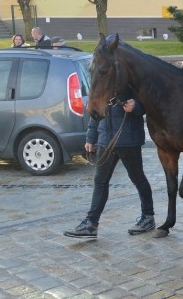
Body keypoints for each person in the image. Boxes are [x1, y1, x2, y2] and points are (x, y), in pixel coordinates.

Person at [64, 92, 155, 239]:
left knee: (138, 178)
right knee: (100, 181)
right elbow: (95, 112)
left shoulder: (129, 78)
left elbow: (148, 104)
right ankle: (91, 224)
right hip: (105, 141)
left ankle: (148, 217)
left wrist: (136, 106)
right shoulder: (102, 81)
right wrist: (91, 137)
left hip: (128, 140)